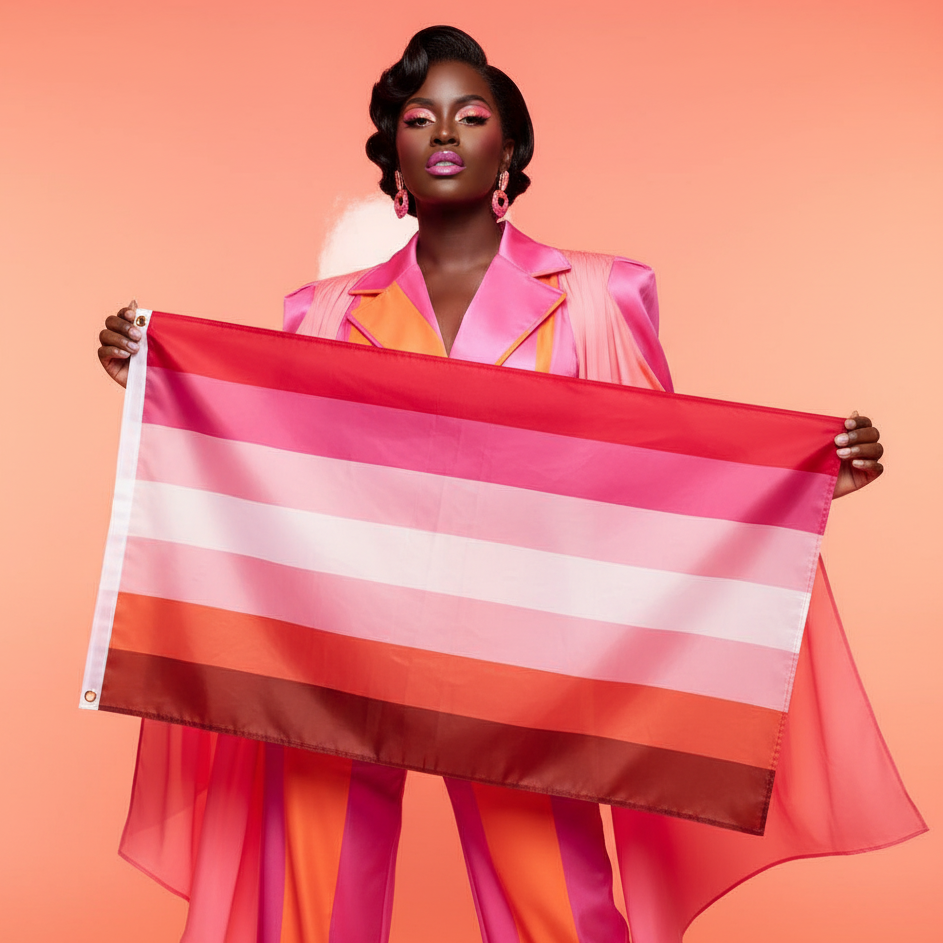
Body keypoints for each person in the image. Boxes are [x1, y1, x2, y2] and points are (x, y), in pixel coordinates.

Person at [96, 25, 923, 943]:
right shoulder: (322, 311)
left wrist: (800, 478)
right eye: (418, 117)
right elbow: (268, 458)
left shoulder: (601, 296)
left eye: (471, 112)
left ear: (510, 148)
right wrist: (160, 380)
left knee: (554, 903)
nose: (444, 128)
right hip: (339, 645)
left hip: (524, 658)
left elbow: (662, 472)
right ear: (394, 158)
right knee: (304, 887)